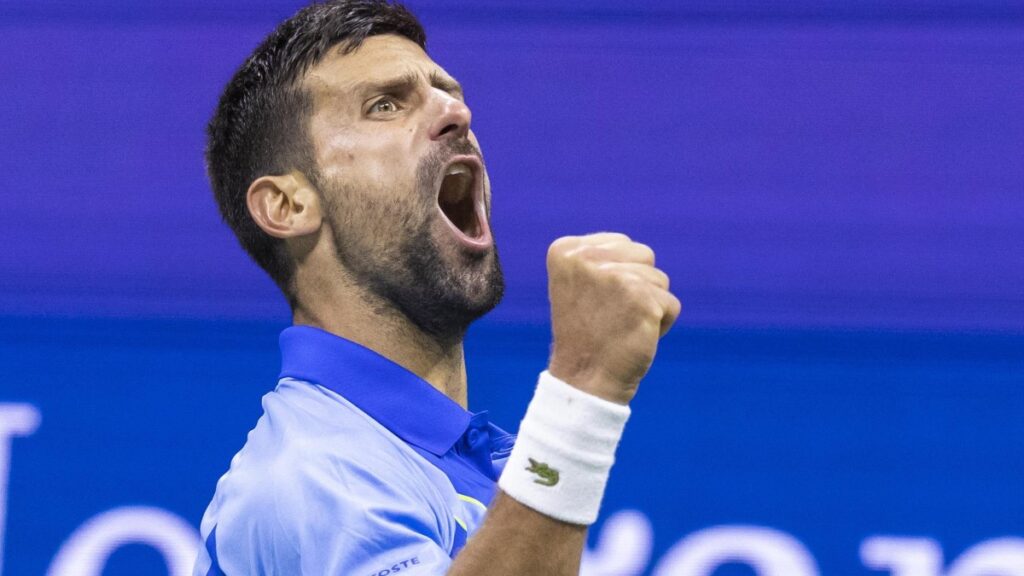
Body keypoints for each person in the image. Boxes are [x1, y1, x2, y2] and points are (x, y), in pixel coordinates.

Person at [193, 1, 681, 574]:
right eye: (384, 106)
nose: (456, 112)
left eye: (448, 92)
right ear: (287, 205)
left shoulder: (430, 464)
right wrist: (583, 388)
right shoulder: (313, 477)